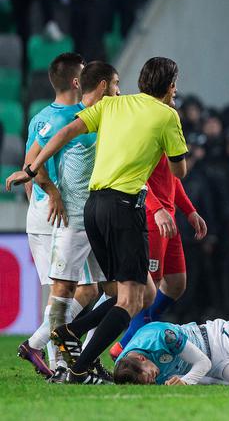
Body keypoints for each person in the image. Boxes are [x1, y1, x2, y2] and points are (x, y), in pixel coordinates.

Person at [6, 57, 188, 384]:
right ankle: (77, 365)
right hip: (121, 208)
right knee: (129, 298)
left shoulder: (113, 107)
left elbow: (68, 130)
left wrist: (32, 169)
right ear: (170, 86)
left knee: (135, 292)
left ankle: (70, 332)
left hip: (94, 209)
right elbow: (179, 171)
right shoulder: (167, 115)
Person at [16, 53, 100, 379]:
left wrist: (37, 202)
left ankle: (41, 346)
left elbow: (28, 163)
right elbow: (32, 165)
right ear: (77, 81)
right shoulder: (69, 119)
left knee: (88, 290)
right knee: (60, 291)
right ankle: (59, 364)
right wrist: (50, 196)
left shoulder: (40, 117)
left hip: (54, 212)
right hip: (56, 214)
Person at [110, 138, 208, 358]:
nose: (173, 101)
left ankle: (129, 340)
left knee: (176, 283)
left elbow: (171, 178)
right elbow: (137, 177)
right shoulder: (146, 129)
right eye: (172, 99)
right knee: (147, 290)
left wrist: (189, 211)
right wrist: (156, 209)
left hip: (168, 217)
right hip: (152, 218)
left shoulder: (166, 128)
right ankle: (130, 347)